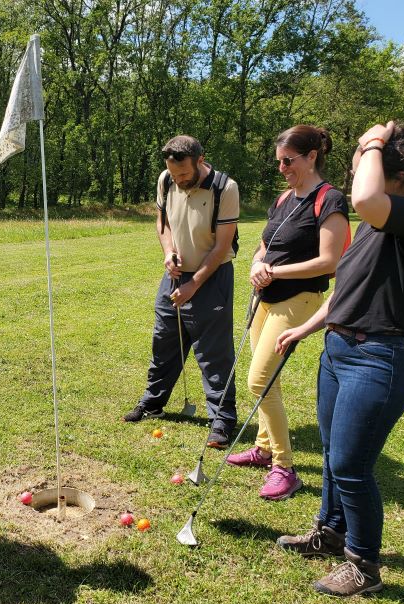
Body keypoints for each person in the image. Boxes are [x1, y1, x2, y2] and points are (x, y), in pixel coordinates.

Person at [274, 122, 404, 596]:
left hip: (380, 358)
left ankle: (363, 566)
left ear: (398, 171)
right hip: (340, 352)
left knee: (351, 465)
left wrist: (372, 140)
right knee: (331, 456)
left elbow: (367, 197)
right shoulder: (373, 228)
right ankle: (329, 532)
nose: (354, 170)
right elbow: (346, 290)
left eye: (364, 162)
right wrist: (306, 328)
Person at [225, 126, 350, 501]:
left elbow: (330, 261)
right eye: (278, 161)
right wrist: (256, 263)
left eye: (288, 161)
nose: (281, 168)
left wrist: (274, 271)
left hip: (299, 300)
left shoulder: (329, 200)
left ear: (312, 156)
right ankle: (264, 448)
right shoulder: (284, 199)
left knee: (259, 380)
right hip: (264, 298)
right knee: (267, 383)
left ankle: (285, 468)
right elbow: (266, 243)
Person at [123, 135, 239, 449]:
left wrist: (194, 284)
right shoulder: (166, 179)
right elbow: (163, 222)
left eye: (184, 175)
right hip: (174, 275)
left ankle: (222, 421)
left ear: (201, 161)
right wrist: (169, 253)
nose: (179, 180)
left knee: (213, 353)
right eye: (174, 176)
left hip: (212, 278)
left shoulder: (224, 188)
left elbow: (222, 246)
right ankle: (153, 403)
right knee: (164, 341)